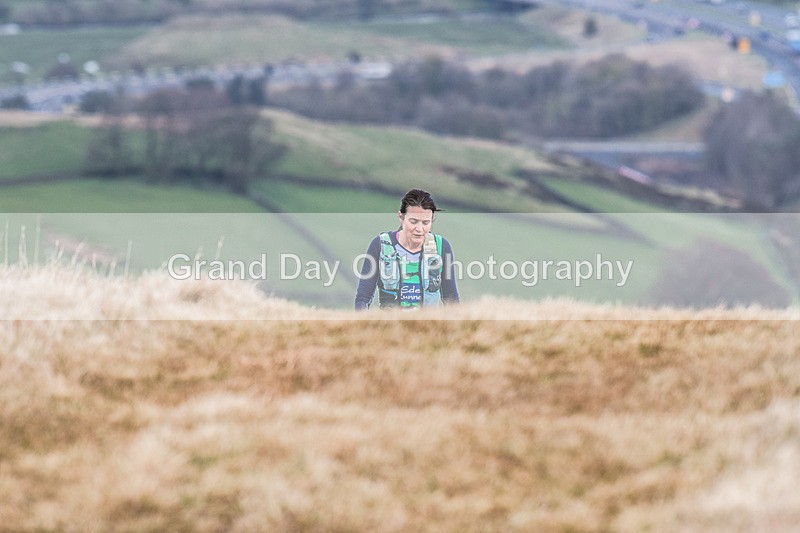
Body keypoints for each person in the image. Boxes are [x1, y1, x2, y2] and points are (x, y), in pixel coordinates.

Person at [354, 188, 459, 310]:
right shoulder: (380, 245)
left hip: (429, 327)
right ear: (401, 217)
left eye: (425, 223)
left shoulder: (442, 246)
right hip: (390, 327)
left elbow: (451, 298)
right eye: (413, 221)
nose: (419, 229)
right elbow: (363, 298)